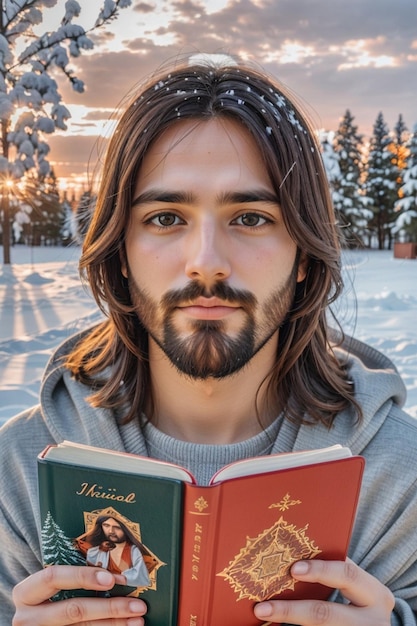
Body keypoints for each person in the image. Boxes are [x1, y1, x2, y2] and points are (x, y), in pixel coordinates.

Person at [0, 52, 416, 625]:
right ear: (120, 251)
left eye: (250, 218)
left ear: (302, 255)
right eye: (166, 218)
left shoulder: (402, 480)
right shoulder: (18, 473)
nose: (207, 264)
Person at [77, 515, 151, 589]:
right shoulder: (99, 549)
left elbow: (141, 579)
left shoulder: (133, 551)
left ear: (126, 530)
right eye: (106, 525)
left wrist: (109, 577)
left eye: (117, 527)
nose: (111, 531)